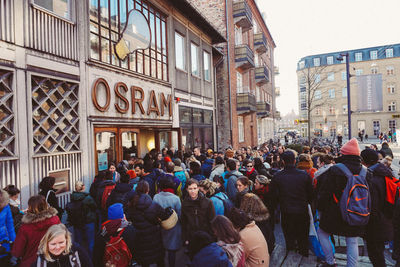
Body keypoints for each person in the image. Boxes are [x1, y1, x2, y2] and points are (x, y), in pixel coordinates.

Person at [317, 138, 372, 267]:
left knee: (322, 233)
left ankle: (330, 261)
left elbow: (325, 193)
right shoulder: (367, 172)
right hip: (357, 211)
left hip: (335, 212)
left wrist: (321, 209)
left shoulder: (335, 170)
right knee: (352, 240)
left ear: (344, 154)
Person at [272, 150, 312, 256]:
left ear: (283, 162)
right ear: (294, 161)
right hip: (302, 211)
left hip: (287, 211)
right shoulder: (304, 175)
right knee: (303, 239)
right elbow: (311, 195)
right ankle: (304, 255)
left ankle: (291, 259)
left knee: (290, 241)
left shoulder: (277, 176)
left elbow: (274, 197)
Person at [361, 148, 394, 267]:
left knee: (375, 254)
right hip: (387, 219)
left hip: (375, 223)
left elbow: (373, 204)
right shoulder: (386, 173)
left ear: (364, 161)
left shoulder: (372, 177)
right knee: (378, 252)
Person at [11, 195, 60, 267]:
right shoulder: (55, 220)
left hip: (30, 262)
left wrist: (13, 258)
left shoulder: (25, 227)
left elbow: (18, 249)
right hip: (51, 259)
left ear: (30, 207)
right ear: (45, 205)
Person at [127, 181, 168, 267]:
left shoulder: (132, 205)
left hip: (140, 240)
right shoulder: (154, 205)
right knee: (159, 260)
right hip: (154, 238)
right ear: (147, 190)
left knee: (144, 261)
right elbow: (164, 216)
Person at [153, 178, 182, 267]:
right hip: (173, 227)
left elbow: (154, 212)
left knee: (161, 248)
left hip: (160, 226)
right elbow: (180, 213)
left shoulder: (156, 197)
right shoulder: (176, 198)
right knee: (171, 249)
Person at [182, 179, 216, 245]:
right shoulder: (185, 203)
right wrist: (185, 238)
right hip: (192, 237)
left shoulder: (208, 202)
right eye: (190, 189)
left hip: (206, 236)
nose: (193, 191)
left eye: (195, 188)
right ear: (187, 189)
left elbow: (212, 221)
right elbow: (184, 222)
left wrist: (212, 237)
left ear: (198, 188)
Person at [67, 181, 97, 257]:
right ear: (83, 187)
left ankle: (79, 258)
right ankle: (90, 259)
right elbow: (94, 207)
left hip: (77, 221)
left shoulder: (72, 197)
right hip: (88, 221)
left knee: (78, 242)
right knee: (90, 242)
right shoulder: (87, 198)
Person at [0, 189, 15, 265]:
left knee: (5, 260)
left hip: (5, 239)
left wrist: (13, 241)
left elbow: (10, 224)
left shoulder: (6, 206)